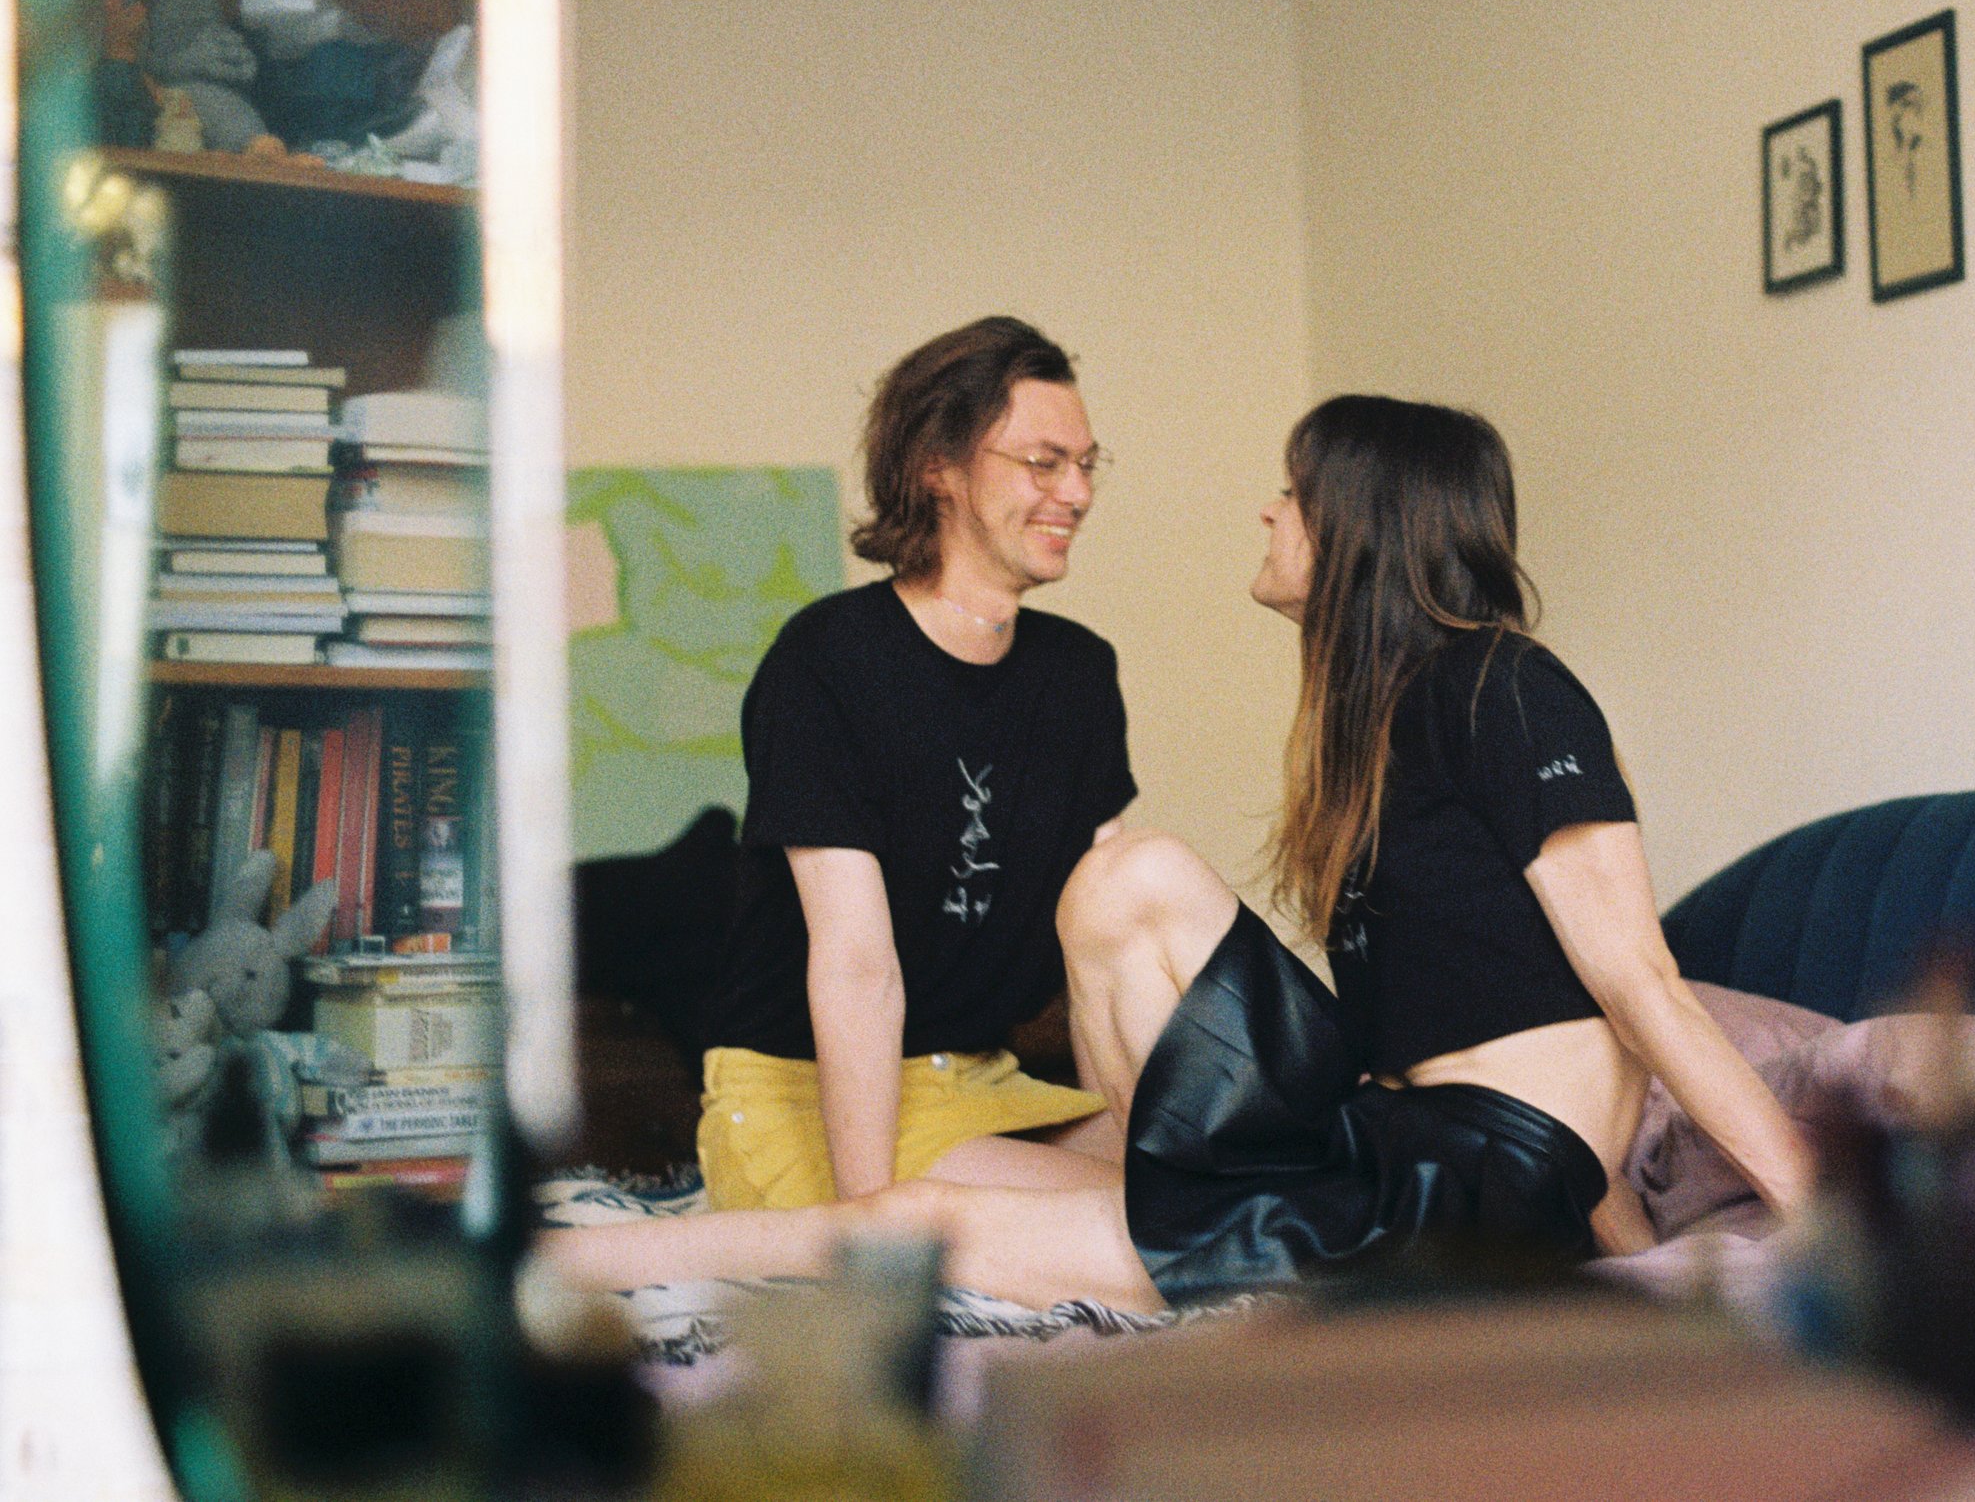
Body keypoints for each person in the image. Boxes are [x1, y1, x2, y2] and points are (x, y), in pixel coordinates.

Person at [552, 394, 1813, 1311]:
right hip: (1395, 1141)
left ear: (1360, 521)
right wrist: (1616, 1236)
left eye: (1294, 492)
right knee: (1128, 880)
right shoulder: (1381, 726)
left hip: (1456, 1182)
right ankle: (541, 1261)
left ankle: (554, 1264)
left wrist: (1807, 1227)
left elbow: (1637, 989)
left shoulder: (1505, 687)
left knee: (927, 1223)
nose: (1269, 508)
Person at [696, 315, 1136, 1213]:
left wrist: (1123, 1137)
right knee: (1147, 1222)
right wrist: (872, 1218)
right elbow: (857, 968)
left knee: (1218, 1185)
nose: (1078, 492)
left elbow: (1101, 950)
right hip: (805, 1098)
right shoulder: (827, 658)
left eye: (1088, 464)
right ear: (939, 465)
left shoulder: (1080, 673)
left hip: (984, 1090)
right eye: (1044, 462)